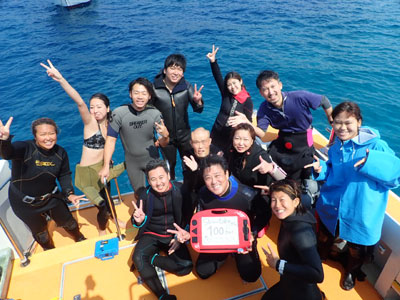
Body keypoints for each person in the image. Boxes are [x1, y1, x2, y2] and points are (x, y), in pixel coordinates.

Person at [306, 101, 400, 290]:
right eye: (337, 123)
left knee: (357, 249)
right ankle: (322, 256)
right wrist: (321, 168)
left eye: (347, 123)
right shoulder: (335, 146)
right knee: (324, 235)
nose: (342, 128)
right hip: (332, 202)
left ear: (359, 122)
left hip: (361, 209)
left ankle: (350, 271)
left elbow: (395, 177)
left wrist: (370, 163)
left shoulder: (377, 146)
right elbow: (331, 169)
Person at [41, 59, 125, 235]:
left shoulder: (112, 124)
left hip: (103, 169)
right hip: (87, 176)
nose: (94, 110)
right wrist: (61, 78)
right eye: (92, 106)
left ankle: (115, 219)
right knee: (103, 207)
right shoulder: (90, 124)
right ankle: (102, 230)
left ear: (108, 108)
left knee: (109, 200)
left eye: (98, 106)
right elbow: (79, 102)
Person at [229, 70, 333, 182]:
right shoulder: (264, 109)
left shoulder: (298, 97)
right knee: (270, 163)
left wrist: (331, 121)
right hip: (283, 139)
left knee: (303, 172)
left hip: (303, 141)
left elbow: (323, 100)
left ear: (280, 85)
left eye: (273, 86)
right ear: (261, 93)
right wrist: (248, 123)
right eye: (265, 89)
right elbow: (262, 134)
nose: (271, 92)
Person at [0, 117, 86, 250]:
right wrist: (5, 140)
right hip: (24, 203)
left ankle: (80, 239)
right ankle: (50, 251)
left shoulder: (60, 153)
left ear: (56, 133)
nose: (48, 138)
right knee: (42, 235)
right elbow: (8, 153)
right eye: (43, 134)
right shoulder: (25, 148)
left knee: (70, 224)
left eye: (51, 133)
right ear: (35, 136)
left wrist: (69, 193)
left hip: (51, 198)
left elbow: (64, 175)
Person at [194, 155, 267, 282]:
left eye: (217, 176)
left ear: (227, 174)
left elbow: (264, 215)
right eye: (208, 178)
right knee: (203, 271)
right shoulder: (203, 193)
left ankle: (238, 253)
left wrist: (252, 234)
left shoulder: (247, 195)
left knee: (251, 275)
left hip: (242, 239)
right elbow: (201, 217)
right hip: (218, 238)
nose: (214, 182)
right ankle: (225, 253)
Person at [131, 159, 193, 300]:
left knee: (186, 267)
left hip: (174, 235)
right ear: (148, 180)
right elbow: (136, 221)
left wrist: (182, 235)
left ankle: (153, 259)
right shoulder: (145, 195)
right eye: (153, 179)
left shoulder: (181, 191)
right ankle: (162, 296)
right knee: (137, 257)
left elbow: (189, 217)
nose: (158, 183)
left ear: (168, 175)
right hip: (151, 233)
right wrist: (138, 220)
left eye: (161, 177)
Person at [98, 77, 169, 199]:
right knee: (139, 195)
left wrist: (166, 135)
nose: (140, 97)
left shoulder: (155, 114)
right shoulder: (119, 113)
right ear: (130, 94)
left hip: (152, 159)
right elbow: (110, 140)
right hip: (132, 163)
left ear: (149, 96)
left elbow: (164, 144)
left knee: (160, 191)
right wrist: (105, 166)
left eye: (144, 93)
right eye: (136, 93)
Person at [262, 179, 324, 300]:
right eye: (274, 200)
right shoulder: (296, 212)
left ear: (295, 202)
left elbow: (317, 274)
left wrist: (278, 264)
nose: (277, 205)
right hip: (289, 282)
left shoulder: (300, 233)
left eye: (282, 200)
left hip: (303, 294)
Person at [152, 53, 204, 180]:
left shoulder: (186, 86)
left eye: (179, 69)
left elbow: (198, 110)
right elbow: (148, 114)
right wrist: (153, 137)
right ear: (165, 70)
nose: (176, 72)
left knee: (189, 165)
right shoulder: (154, 89)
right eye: (172, 68)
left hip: (184, 136)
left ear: (183, 73)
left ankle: (190, 191)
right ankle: (172, 192)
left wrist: (198, 102)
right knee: (169, 167)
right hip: (166, 137)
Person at [206, 45, 253, 152]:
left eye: (235, 83)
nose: (232, 87)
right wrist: (213, 62)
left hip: (230, 137)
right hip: (216, 132)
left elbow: (248, 122)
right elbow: (218, 77)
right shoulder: (226, 94)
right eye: (229, 85)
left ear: (240, 81)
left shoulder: (247, 100)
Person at [181, 127, 222, 224]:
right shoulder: (188, 156)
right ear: (191, 143)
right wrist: (194, 172)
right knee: (184, 193)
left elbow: (220, 181)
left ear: (209, 141)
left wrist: (197, 170)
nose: (200, 146)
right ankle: (186, 223)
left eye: (203, 141)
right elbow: (189, 185)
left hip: (214, 188)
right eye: (196, 142)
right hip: (195, 189)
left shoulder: (217, 154)